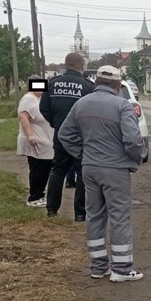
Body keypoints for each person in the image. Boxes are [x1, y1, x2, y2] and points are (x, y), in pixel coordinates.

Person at [58, 65, 147, 282]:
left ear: (97, 82)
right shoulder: (122, 105)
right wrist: (137, 157)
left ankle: (98, 267)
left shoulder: (81, 104)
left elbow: (64, 134)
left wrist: (83, 153)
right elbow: (133, 140)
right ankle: (121, 269)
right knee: (119, 217)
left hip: (89, 168)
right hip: (115, 169)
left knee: (94, 215)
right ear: (117, 85)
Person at [39, 52, 94, 221]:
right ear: (81, 66)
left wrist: (56, 124)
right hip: (81, 138)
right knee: (82, 174)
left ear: (65, 65)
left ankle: (52, 211)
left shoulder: (51, 83)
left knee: (57, 172)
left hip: (60, 136)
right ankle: (80, 213)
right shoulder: (88, 86)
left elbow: (43, 108)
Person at [17, 75, 55, 207]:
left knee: (45, 168)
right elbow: (23, 117)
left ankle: (40, 194)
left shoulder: (40, 99)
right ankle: (34, 197)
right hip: (36, 140)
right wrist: (30, 135)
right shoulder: (28, 99)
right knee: (38, 169)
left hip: (45, 141)